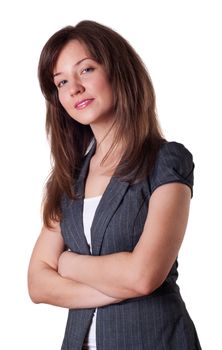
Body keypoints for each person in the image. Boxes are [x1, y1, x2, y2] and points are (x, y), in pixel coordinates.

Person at [28, 20, 202, 349]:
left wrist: (67, 263)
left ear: (118, 71)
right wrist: (120, 287)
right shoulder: (67, 178)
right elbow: (38, 284)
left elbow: (143, 275)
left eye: (86, 70)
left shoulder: (166, 161)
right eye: (61, 81)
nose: (74, 88)